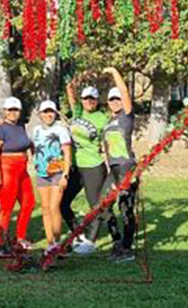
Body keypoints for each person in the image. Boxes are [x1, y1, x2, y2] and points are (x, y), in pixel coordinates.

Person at [61, 73, 110, 254]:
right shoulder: (77, 113)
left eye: (92, 99)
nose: (89, 101)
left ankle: (91, 241)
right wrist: (79, 76)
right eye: (86, 98)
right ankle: (77, 233)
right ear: (81, 100)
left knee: (94, 204)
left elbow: (110, 139)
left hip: (93, 166)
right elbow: (69, 90)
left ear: (97, 101)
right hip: (75, 166)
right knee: (63, 203)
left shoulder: (102, 118)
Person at [0, 97, 35, 253]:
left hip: (22, 169)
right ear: (4, 111)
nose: (12, 113)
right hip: (7, 168)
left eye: (15, 110)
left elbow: (28, 143)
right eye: (9, 110)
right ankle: (0, 242)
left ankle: (20, 237)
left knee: (29, 202)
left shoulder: (21, 126)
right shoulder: (0, 129)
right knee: (7, 207)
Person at [101, 67, 138, 263]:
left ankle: (127, 248)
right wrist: (108, 167)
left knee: (126, 207)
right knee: (104, 205)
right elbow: (106, 147)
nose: (115, 102)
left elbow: (124, 92)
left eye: (117, 99)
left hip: (127, 167)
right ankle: (117, 241)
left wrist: (115, 72)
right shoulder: (109, 122)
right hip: (113, 169)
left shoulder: (127, 116)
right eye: (111, 100)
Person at [32, 100, 72, 255]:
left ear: (55, 113)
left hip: (58, 173)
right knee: (45, 208)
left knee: (55, 207)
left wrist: (65, 175)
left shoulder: (61, 130)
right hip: (42, 174)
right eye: (45, 112)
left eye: (51, 112)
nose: (48, 115)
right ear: (40, 114)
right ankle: (50, 244)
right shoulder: (35, 130)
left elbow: (67, 153)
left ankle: (57, 241)